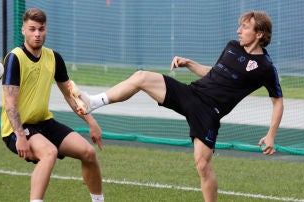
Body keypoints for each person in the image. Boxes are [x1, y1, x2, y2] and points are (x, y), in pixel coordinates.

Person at [69, 10, 283, 202]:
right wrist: (189, 63)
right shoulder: (232, 46)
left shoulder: (266, 67)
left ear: (260, 34)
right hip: (191, 93)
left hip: (209, 112)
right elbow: (214, 73)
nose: (238, 30)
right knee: (141, 77)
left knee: (202, 165)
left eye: (245, 27)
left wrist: (271, 134)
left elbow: (278, 101)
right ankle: (93, 102)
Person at [1, 8, 104, 202]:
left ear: (46, 30)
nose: (37, 34)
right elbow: (10, 103)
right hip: (17, 128)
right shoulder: (15, 58)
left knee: (88, 153)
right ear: (23, 30)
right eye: (32, 29)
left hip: (44, 122)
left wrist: (91, 122)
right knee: (49, 153)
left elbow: (70, 95)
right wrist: (20, 137)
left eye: (41, 29)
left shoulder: (53, 58)